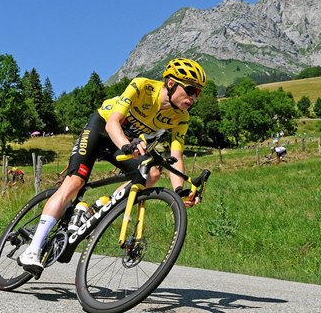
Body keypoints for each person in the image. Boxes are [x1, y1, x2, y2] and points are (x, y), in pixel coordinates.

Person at [18, 57, 207, 278]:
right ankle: (32, 249)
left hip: (126, 144)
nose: (194, 97)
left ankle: (97, 207)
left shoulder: (181, 117)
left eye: (198, 93)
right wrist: (127, 144)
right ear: (172, 84)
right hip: (102, 130)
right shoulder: (142, 86)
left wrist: (179, 191)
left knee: (152, 173)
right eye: (191, 90)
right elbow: (112, 123)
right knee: (75, 182)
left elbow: (176, 154)